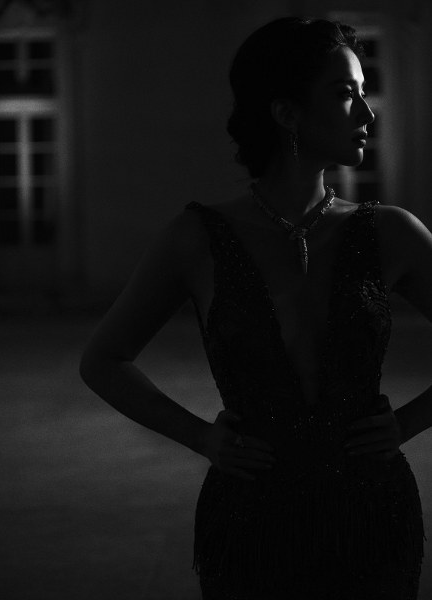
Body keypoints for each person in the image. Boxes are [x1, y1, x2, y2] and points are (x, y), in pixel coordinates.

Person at [79, 16, 432, 600]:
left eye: (364, 93)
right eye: (345, 94)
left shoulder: (391, 233)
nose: (368, 114)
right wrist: (200, 438)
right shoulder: (197, 239)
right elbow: (103, 360)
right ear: (287, 113)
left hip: (371, 513)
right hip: (251, 518)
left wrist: (407, 423)